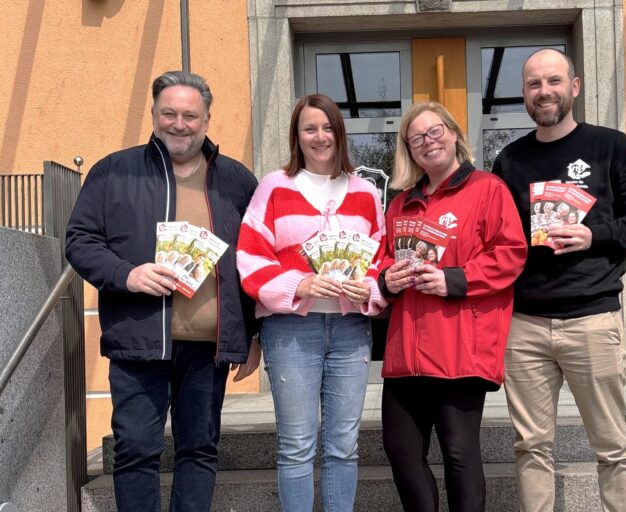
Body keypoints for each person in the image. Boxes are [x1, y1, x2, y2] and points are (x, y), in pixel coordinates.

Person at [65, 70, 260, 512]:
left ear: (207, 119)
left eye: (190, 115)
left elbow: (256, 259)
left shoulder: (235, 179)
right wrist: (126, 274)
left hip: (209, 348)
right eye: (168, 113)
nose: (179, 123)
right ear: (153, 114)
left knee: (199, 450)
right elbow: (79, 239)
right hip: (138, 341)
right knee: (136, 451)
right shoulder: (115, 171)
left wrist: (252, 334)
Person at [492, 48, 626, 512]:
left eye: (552, 81)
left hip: (593, 319)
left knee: (612, 446)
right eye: (533, 84)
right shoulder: (510, 159)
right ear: (524, 94)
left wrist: (595, 235)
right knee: (530, 447)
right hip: (525, 325)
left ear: (574, 86)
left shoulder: (611, 146)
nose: (543, 91)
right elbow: (497, 239)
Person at [236, 93, 386, 512]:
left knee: (343, 445)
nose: (319, 137)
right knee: (297, 445)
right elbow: (249, 256)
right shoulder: (275, 187)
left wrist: (369, 289)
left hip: (351, 331)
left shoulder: (364, 192)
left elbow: (381, 255)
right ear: (296, 136)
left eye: (326, 127)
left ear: (338, 133)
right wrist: (297, 286)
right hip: (290, 331)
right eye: (309, 128)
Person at [379, 102, 527, 511]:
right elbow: (382, 258)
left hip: (458, 346)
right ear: (409, 151)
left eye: (435, 130)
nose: (429, 141)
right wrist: (385, 279)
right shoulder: (400, 204)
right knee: (400, 451)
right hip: (405, 350)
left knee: (459, 455)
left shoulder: (487, 189)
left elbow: (511, 254)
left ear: (454, 133)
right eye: (417, 138)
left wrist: (452, 279)